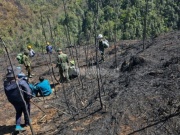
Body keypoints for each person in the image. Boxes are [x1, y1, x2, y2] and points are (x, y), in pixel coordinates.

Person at [3, 66, 32, 131]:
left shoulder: (6, 84)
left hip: (14, 101)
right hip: (23, 99)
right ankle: (27, 122)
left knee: (18, 112)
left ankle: (18, 125)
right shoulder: (21, 82)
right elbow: (28, 90)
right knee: (26, 110)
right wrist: (29, 97)